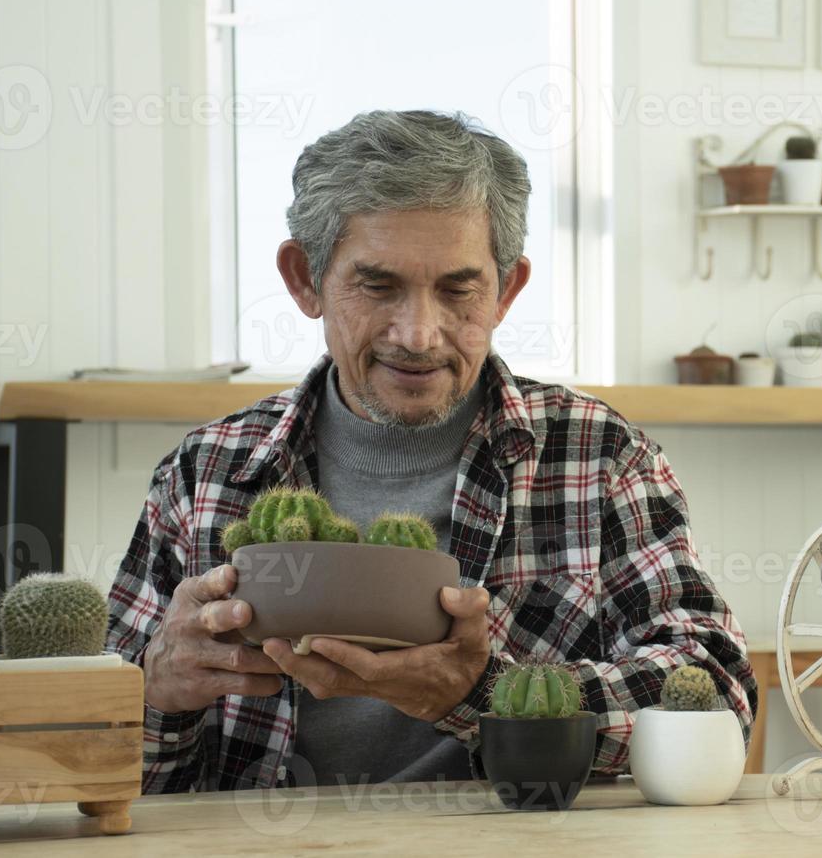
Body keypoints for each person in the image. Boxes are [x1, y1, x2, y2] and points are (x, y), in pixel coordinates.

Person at [106, 109, 757, 791]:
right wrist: (153, 693)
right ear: (304, 279)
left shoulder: (599, 457)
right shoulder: (204, 473)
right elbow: (88, 761)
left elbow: (715, 696)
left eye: (458, 289)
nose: (418, 334)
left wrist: (480, 694)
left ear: (506, 290)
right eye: (379, 285)